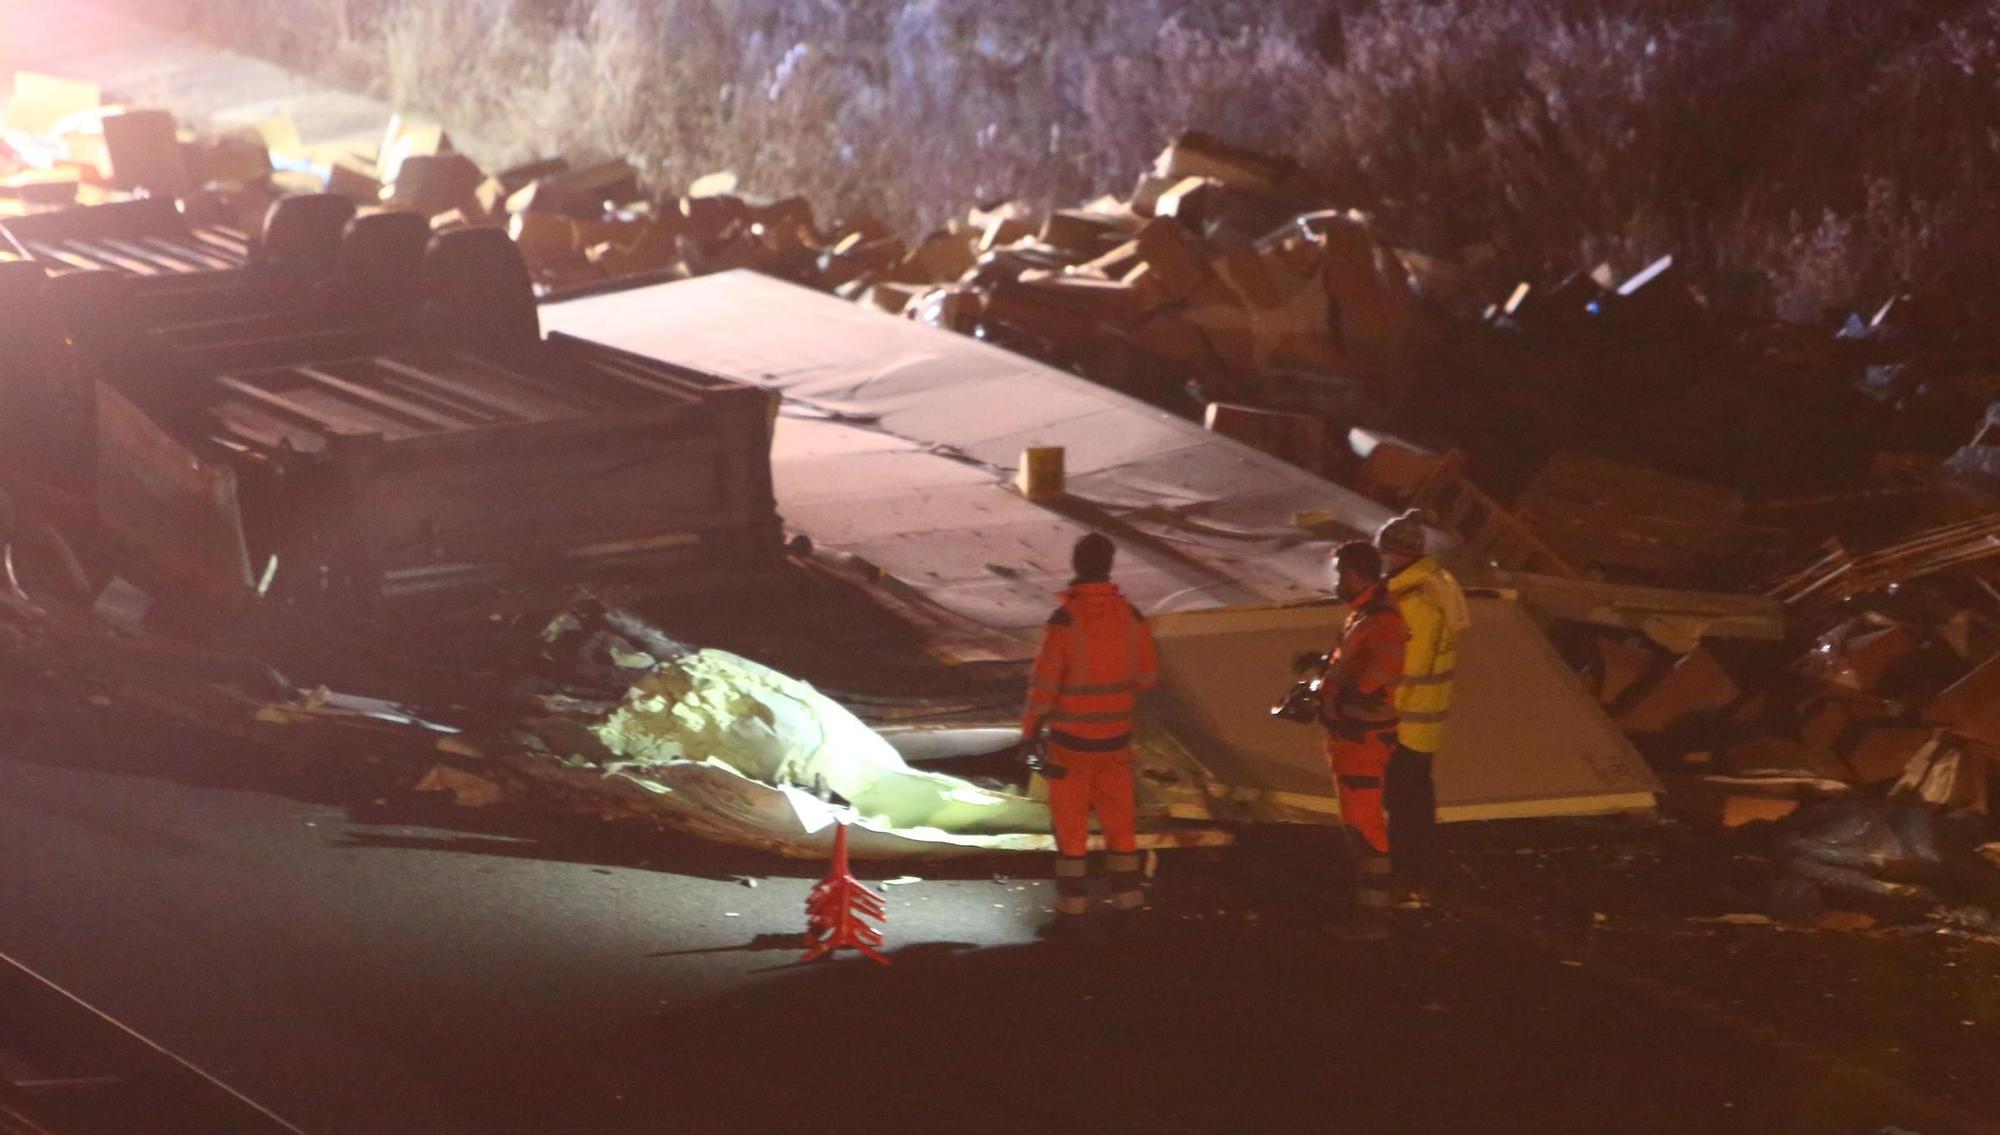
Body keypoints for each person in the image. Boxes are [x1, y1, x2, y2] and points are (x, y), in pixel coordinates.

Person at [1021, 533, 1159, 932]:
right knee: (1121, 827)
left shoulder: (1065, 621)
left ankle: (1072, 908)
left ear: (1077, 565)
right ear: (1110, 565)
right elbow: (1147, 678)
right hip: (1116, 743)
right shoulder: (1133, 617)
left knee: (1071, 831)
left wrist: (1029, 734)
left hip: (1071, 747)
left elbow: (1043, 688)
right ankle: (1129, 903)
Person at [1309, 540, 1408, 940]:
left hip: (1361, 735)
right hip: (1354, 733)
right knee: (1360, 820)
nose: (1335, 583)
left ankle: (1372, 917)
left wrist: (1347, 695)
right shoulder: (1365, 615)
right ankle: (1373, 902)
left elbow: (1383, 668)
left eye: (1338, 575)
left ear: (1354, 574)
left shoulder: (1379, 619)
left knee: (1364, 824)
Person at [1374, 509, 1469, 904]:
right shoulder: (1439, 585)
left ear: (1393, 553)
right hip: (1426, 719)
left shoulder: (1414, 601)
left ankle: (1403, 881)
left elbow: (1403, 665)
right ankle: (1419, 880)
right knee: (1416, 805)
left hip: (1405, 720)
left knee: (1401, 808)